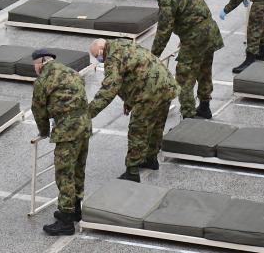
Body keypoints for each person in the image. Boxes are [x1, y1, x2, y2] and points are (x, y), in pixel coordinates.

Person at [87, 38, 178, 182]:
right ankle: (151, 159)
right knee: (157, 125)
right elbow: (131, 74)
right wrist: (128, 101)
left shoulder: (112, 58)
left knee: (137, 130)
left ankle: (132, 171)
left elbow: (108, 90)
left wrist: (87, 113)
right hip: (167, 86)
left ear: (100, 50)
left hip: (149, 93)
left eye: (96, 56)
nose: (98, 59)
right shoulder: (122, 43)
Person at [31, 49, 92, 236]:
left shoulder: (43, 80)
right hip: (84, 125)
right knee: (78, 168)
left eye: (35, 65)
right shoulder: (71, 71)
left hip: (67, 130)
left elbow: (38, 110)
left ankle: (66, 221)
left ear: (41, 62)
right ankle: (75, 209)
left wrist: (44, 131)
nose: (35, 69)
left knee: (64, 173)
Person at [147, 0, 223, 119]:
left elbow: (164, 31)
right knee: (205, 71)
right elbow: (197, 9)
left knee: (184, 78)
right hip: (210, 31)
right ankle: (205, 107)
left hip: (194, 39)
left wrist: (153, 56)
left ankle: (188, 117)